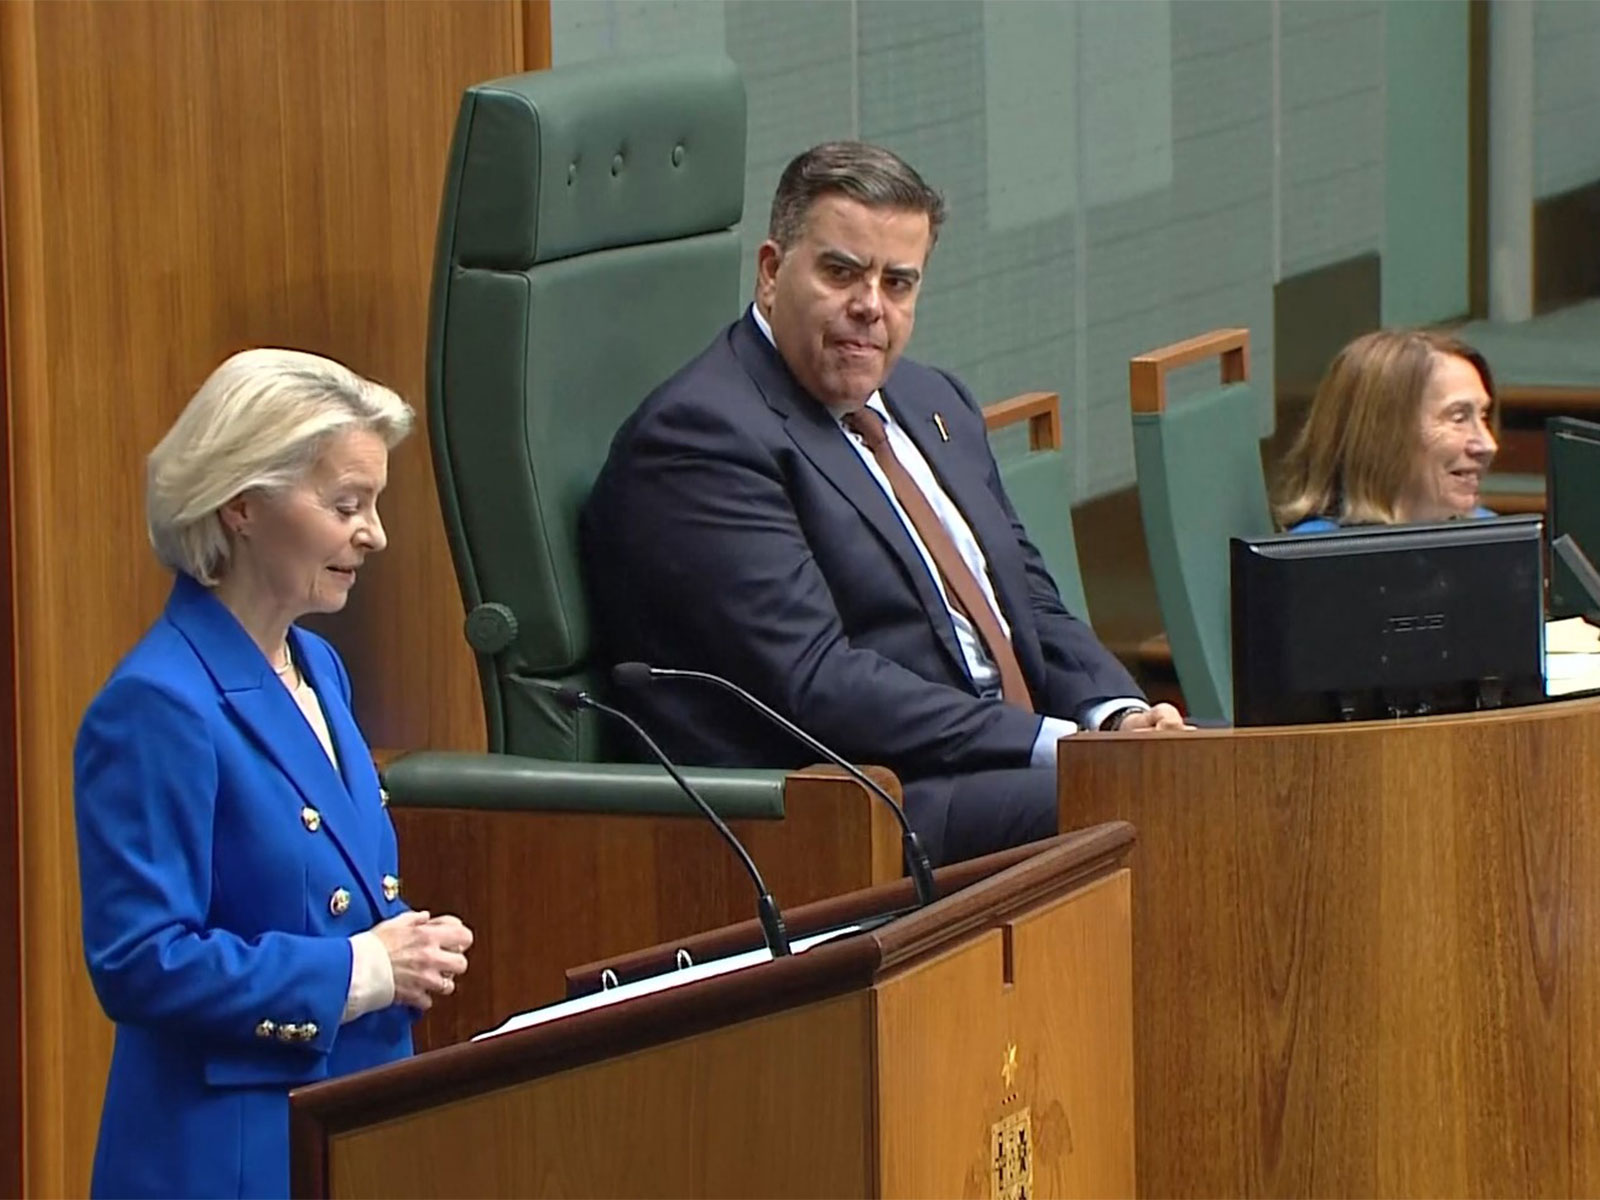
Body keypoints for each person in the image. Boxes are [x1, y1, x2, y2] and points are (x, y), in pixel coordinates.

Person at [582, 141, 1185, 868]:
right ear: (773, 273)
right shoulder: (701, 437)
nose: (871, 306)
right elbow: (817, 682)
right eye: (842, 273)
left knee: (1269, 762)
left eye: (898, 283)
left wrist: (1116, 717)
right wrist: (1060, 748)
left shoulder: (933, 400)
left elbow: (1027, 600)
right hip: (864, 802)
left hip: (1003, 761)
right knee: (1175, 805)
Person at [74, 349, 474, 1198]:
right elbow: (141, 961)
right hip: (232, 1155)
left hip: (341, 1123)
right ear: (243, 504)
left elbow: (331, 878)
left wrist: (409, 937)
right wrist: (363, 972)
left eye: (374, 504)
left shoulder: (318, 666)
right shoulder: (159, 703)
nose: (374, 533)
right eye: (346, 505)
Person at [1273, 329, 1499, 533]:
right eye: (1458, 418)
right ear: (1383, 434)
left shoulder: (1488, 533)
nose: (1488, 445)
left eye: (1484, 417)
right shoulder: (1317, 559)